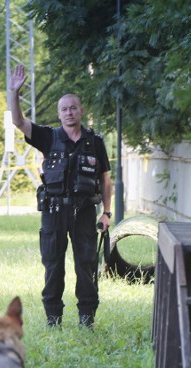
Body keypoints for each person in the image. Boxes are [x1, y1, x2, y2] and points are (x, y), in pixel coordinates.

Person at [8, 64, 113, 328]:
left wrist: (107, 212)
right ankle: (53, 320)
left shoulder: (95, 141)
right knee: (53, 267)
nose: (69, 113)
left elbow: (105, 179)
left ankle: (86, 320)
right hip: (54, 212)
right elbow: (18, 121)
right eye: (64, 109)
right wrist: (14, 93)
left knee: (86, 267)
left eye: (73, 108)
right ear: (59, 113)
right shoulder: (48, 137)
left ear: (81, 110)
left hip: (85, 212)